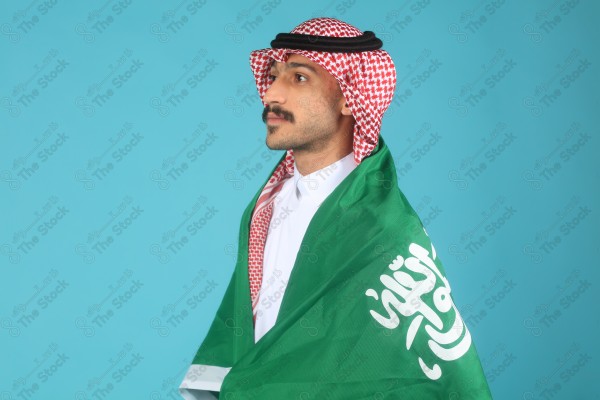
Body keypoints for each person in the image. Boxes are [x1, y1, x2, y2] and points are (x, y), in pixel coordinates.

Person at [179, 17, 493, 399]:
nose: (271, 95)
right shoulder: (267, 204)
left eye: (298, 79)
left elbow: (432, 368)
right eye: (273, 76)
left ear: (351, 96)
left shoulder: (382, 229)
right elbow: (248, 327)